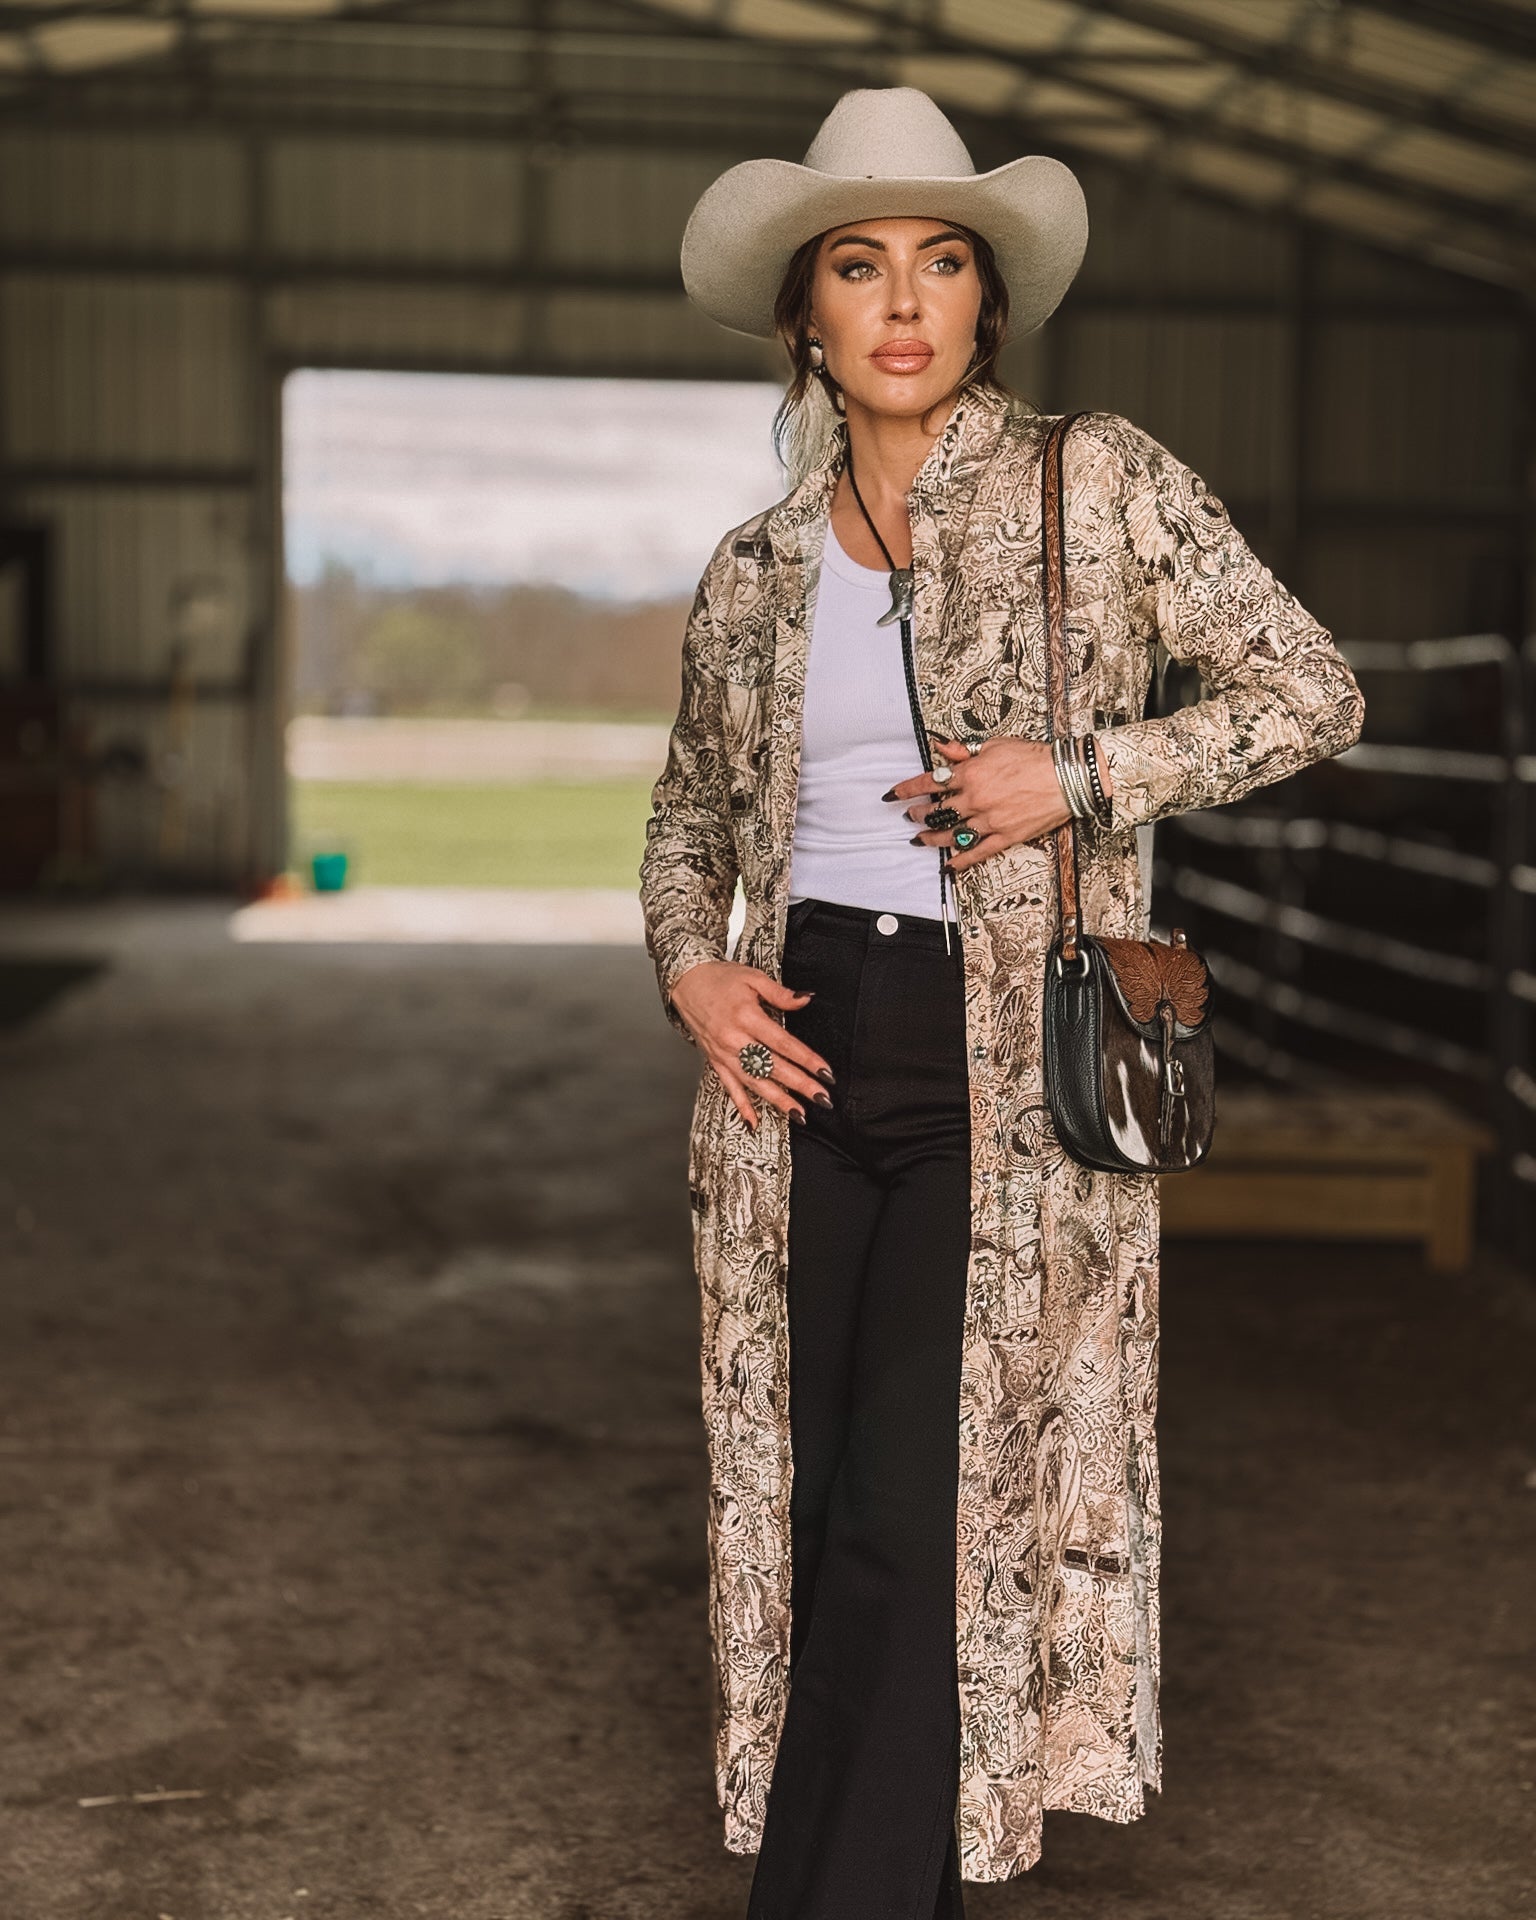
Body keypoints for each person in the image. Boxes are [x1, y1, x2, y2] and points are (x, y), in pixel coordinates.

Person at [639, 86, 1365, 1918]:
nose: (903, 301)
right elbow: (683, 827)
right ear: (807, 314)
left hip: (1003, 1062)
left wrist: (1085, 774)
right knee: (814, 1516)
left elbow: (1313, 687)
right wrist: (695, 971)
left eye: (942, 263)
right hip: (794, 1052)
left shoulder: (1092, 482)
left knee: (921, 1509)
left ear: (986, 304)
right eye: (861, 266)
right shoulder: (754, 572)